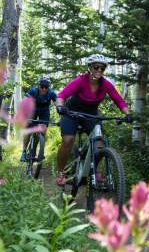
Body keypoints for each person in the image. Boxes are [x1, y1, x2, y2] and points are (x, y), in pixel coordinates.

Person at [55, 54, 131, 185]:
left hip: (91, 114)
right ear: (90, 67)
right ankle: (61, 172)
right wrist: (60, 107)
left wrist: (128, 114)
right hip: (71, 112)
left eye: (102, 68)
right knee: (68, 140)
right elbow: (62, 95)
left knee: (99, 142)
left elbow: (119, 100)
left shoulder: (105, 84)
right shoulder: (80, 80)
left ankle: (96, 171)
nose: (99, 70)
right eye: (96, 67)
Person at [21, 76, 58, 162]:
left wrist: (60, 110)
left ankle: (37, 150)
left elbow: (58, 103)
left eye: (46, 87)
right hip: (32, 109)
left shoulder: (51, 93)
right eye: (42, 86)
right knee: (28, 129)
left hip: (44, 111)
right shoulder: (33, 91)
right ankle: (23, 151)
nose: (44, 89)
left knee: (42, 130)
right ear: (38, 86)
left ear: (49, 87)